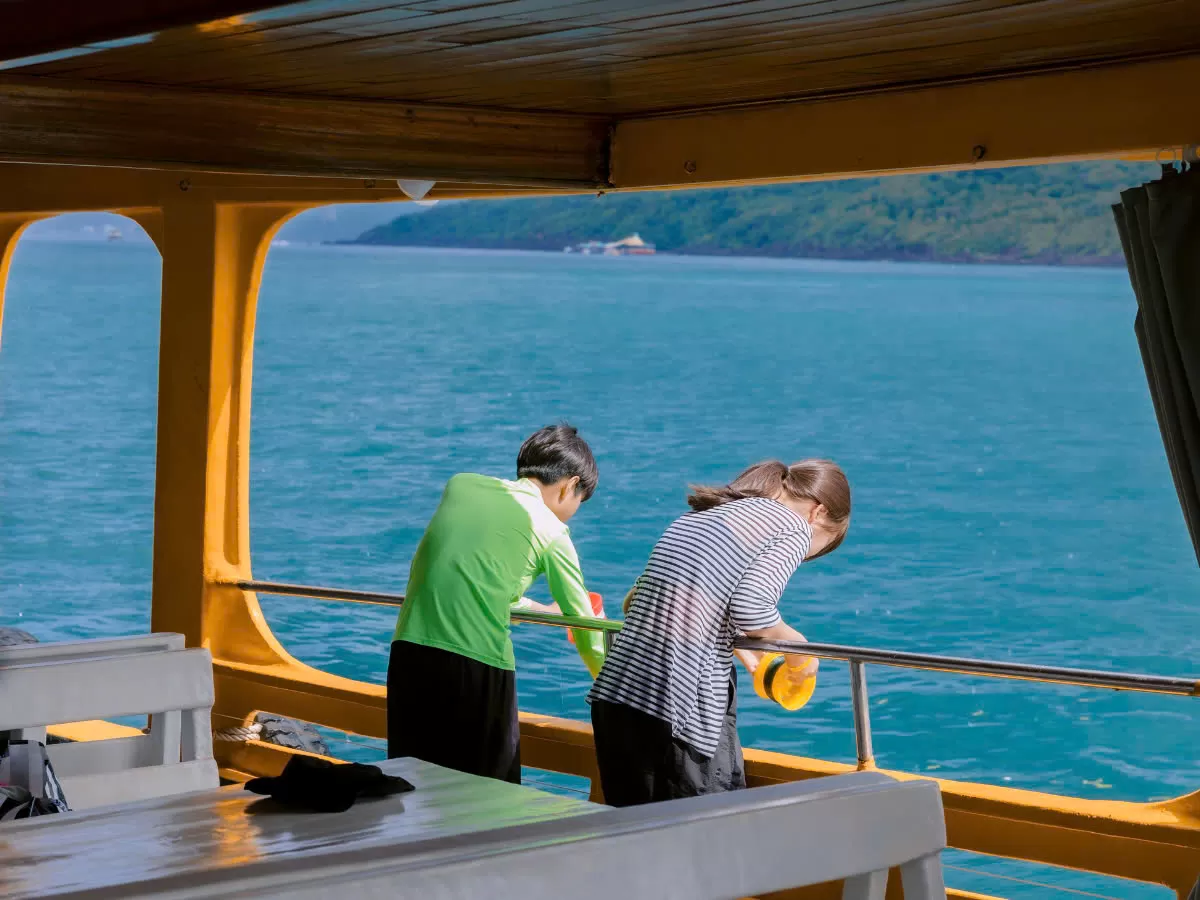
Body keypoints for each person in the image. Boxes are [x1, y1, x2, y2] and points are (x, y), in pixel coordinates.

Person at [587, 459, 850, 806]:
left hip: (618, 700)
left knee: (635, 840)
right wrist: (800, 649)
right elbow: (751, 606)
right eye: (818, 547)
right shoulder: (793, 524)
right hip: (678, 712)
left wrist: (740, 648)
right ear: (818, 512)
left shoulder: (705, 514)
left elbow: (636, 600)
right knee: (705, 839)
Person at [387, 424, 607, 783]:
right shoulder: (553, 532)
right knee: (490, 793)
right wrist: (607, 685)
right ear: (569, 485)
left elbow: (476, 579)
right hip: (478, 667)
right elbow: (585, 625)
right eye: (580, 501)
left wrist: (540, 611)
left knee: (413, 785)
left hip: (410, 654)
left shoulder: (461, 486)